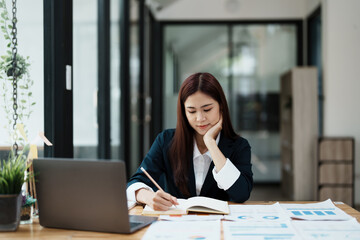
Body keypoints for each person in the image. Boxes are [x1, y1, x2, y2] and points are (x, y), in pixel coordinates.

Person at [127, 72, 253, 210]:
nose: (200, 118)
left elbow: (241, 194)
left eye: (207, 109)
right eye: (192, 111)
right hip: (176, 224)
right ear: (184, 112)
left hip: (218, 225)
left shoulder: (239, 146)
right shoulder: (166, 141)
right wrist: (148, 197)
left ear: (221, 106)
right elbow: (135, 182)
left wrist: (211, 143)